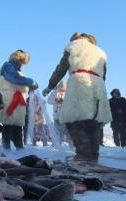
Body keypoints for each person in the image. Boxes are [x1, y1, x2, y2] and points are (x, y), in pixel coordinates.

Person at [43, 33, 111, 162]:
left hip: (79, 82)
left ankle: (83, 154)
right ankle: (93, 155)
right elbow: (104, 75)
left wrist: (50, 86)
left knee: (73, 120)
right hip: (98, 85)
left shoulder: (73, 46)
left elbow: (61, 69)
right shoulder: (101, 52)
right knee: (94, 122)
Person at [0, 50, 38, 150]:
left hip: (18, 100)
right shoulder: (8, 66)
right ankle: (6, 148)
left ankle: (19, 147)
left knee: (18, 125)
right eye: (22, 62)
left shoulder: (17, 70)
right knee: (8, 124)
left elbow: (19, 81)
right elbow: (15, 79)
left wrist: (29, 87)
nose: (22, 65)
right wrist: (31, 82)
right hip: (10, 98)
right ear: (17, 59)